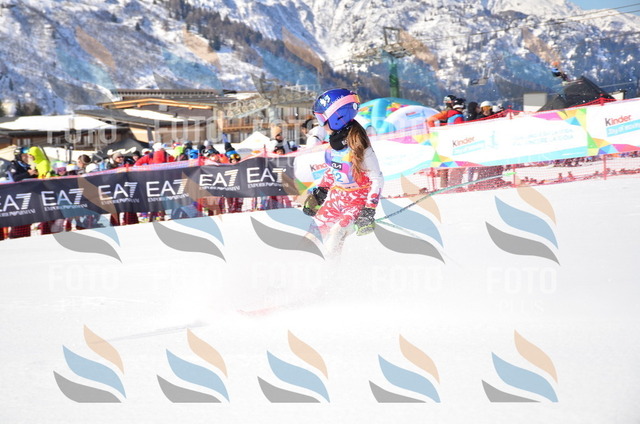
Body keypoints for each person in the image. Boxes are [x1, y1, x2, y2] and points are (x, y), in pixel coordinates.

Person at [303, 88, 383, 239]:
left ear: (337, 117)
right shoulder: (333, 145)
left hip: (356, 202)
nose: (321, 125)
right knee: (312, 234)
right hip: (336, 198)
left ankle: (335, 257)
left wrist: (369, 209)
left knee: (337, 233)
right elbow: (332, 170)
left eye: (321, 119)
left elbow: (376, 179)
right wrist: (320, 192)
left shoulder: (360, 147)